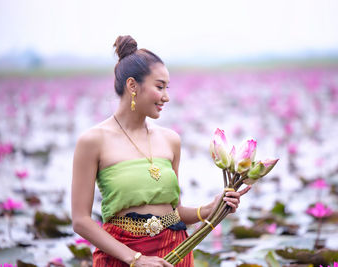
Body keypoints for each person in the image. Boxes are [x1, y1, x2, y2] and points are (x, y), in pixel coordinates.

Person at [71, 35, 251, 267]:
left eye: (167, 88)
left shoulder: (170, 140)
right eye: (159, 87)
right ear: (132, 86)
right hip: (121, 256)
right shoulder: (92, 141)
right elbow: (81, 221)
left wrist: (209, 209)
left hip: (174, 252)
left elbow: (173, 213)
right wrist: (136, 259)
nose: (166, 97)